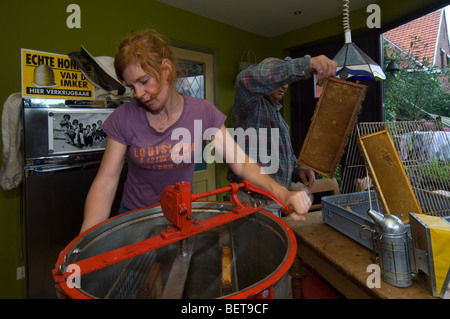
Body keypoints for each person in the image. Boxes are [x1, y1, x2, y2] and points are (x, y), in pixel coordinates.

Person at [79, 29, 313, 234]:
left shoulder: (202, 112)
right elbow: (106, 182)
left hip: (179, 216)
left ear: (166, 69)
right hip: (134, 217)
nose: (138, 93)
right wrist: (85, 243)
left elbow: (241, 164)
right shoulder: (123, 118)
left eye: (144, 81)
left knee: (172, 283)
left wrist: (283, 194)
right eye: (132, 86)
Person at [227, 55, 337, 216]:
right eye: (279, 81)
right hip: (251, 204)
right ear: (265, 78)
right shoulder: (250, 105)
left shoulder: (277, 115)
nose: (284, 86)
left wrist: (298, 169)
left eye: (286, 82)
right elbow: (244, 79)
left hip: (275, 202)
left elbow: (284, 156)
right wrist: (307, 64)